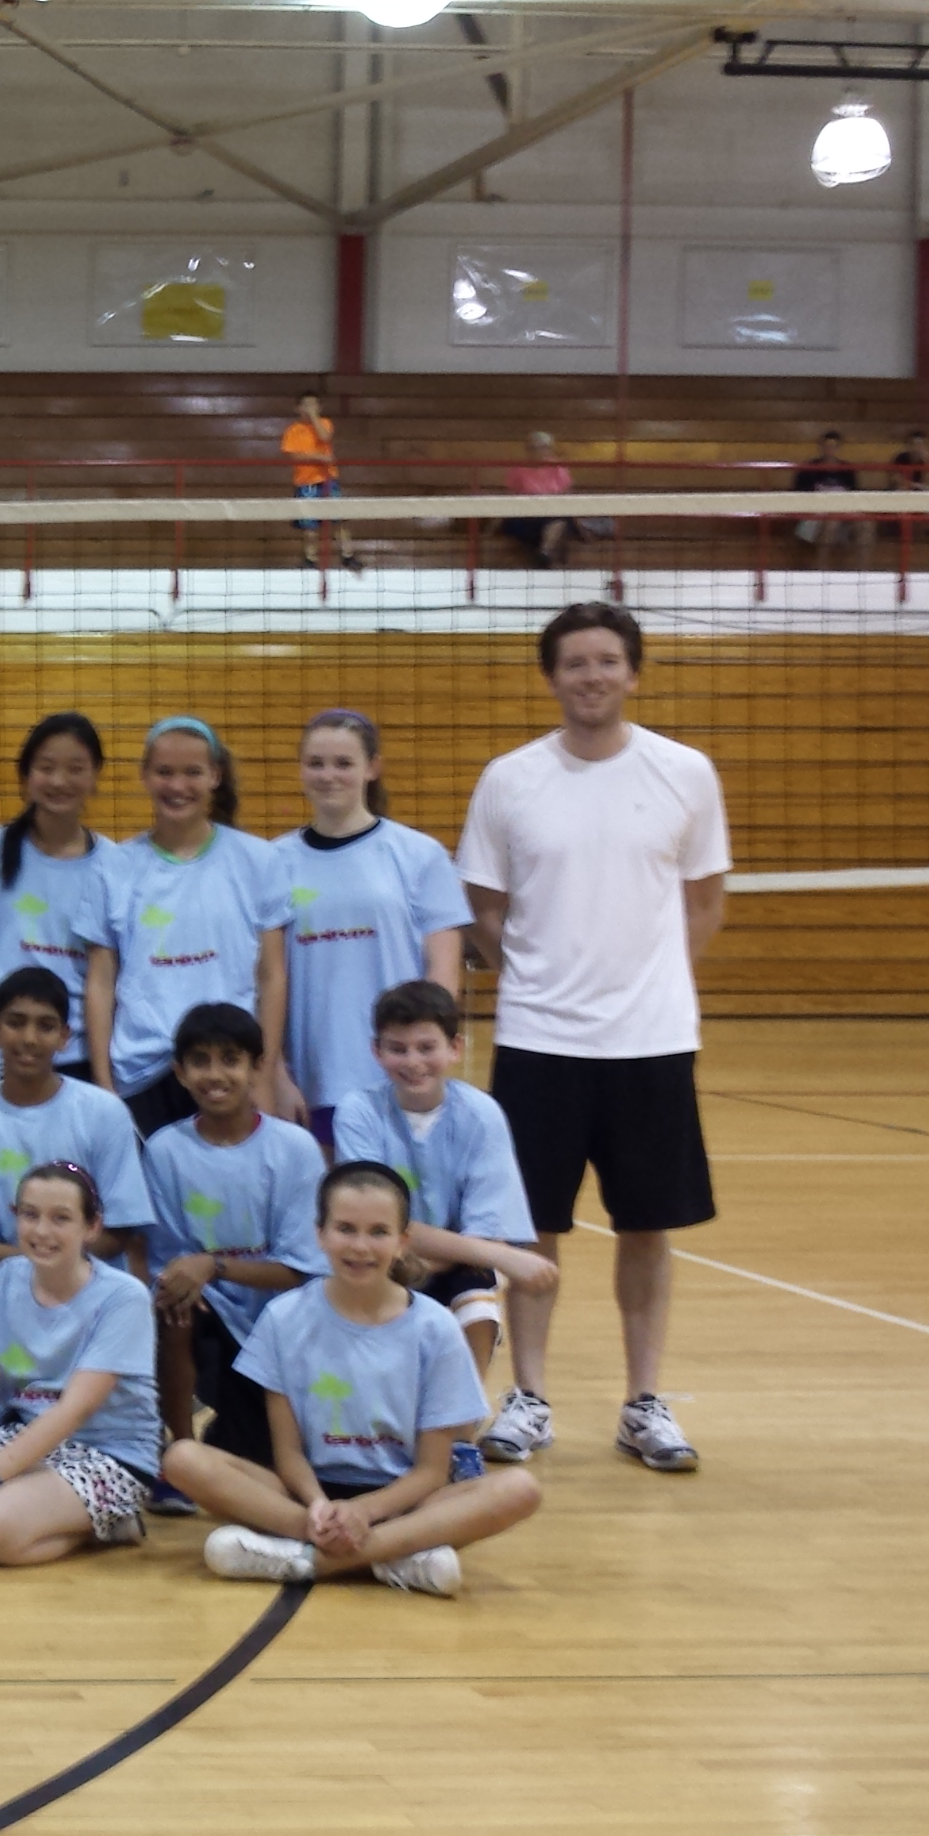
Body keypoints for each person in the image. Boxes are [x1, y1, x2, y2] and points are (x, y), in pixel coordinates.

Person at [457, 602, 727, 1473]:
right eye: (575, 663)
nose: (592, 677)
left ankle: (645, 1403)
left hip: (650, 1042)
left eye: (608, 661)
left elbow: (705, 900)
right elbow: (485, 912)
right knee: (533, 1227)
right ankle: (528, 1397)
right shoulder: (510, 779)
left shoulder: (685, 773)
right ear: (552, 677)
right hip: (539, 1040)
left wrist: (650, 986)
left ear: (633, 672)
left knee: (648, 1224)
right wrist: (543, 982)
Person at [164, 1162, 544, 1598]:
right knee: (183, 1458)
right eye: (345, 1228)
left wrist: (364, 1511)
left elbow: (431, 1471)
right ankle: (393, 1558)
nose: (360, 1246)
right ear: (320, 1234)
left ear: (403, 1242)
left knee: (520, 1489)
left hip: (404, 1501)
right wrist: (320, 1508)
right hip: (305, 1497)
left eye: (378, 1232)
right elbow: (287, 1453)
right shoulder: (284, 1318)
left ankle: (308, 1560)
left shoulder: (434, 1328)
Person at [0, 967, 155, 1400]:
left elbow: (117, 1232)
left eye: (45, 1026)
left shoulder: (104, 1112)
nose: (29, 1038)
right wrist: (34, 1262)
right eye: (16, 1022)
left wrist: (48, 1265)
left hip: (87, 1279)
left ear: (66, 1036)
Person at [0, 1163, 162, 1568]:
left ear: (92, 1228)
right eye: (30, 1215)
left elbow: (72, 1410)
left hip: (106, 1452)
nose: (41, 1232)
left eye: (61, 1218)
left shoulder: (123, 1298)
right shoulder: (9, 1276)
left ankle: (111, 1524)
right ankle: (38, 1511)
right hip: (24, 1435)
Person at [137, 1004, 328, 1506]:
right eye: (200, 1061)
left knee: (258, 1457)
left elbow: (301, 1270)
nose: (215, 1074)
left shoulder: (294, 1149)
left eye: (230, 1059)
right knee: (171, 1309)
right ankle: (177, 1454)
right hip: (207, 1312)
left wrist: (213, 1265)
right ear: (179, 1072)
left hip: (280, 1320)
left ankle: (254, 1433)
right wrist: (189, 1280)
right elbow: (168, 1262)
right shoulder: (164, 1151)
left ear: (256, 1066)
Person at [333, 981, 558, 1388]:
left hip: (449, 1263)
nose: (413, 1061)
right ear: (376, 1051)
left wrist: (452, 1257)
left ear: (455, 1047)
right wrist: (506, 1258)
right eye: (397, 1048)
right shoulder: (358, 1112)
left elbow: (483, 1232)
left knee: (477, 1305)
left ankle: (460, 1433)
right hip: (380, 1258)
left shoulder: (481, 1114)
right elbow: (371, 1219)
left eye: (426, 1047)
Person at [80, 717, 293, 1133]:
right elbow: (100, 982)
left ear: (215, 775)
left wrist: (264, 1074)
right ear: (145, 776)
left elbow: (271, 976)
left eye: (192, 772)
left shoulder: (257, 860)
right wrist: (104, 1085)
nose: (178, 786)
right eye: (165, 772)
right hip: (142, 1074)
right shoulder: (114, 867)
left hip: (229, 1071)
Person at [274, 710, 471, 1144]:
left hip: (399, 1074)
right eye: (316, 763)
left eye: (343, 763)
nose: (329, 776)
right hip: (312, 1077)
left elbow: (443, 974)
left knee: (401, 1204)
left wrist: (422, 1058)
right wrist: (274, 1072)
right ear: (301, 769)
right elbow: (263, 979)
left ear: (372, 768)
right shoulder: (273, 862)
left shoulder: (419, 854)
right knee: (327, 1207)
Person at [0, 712, 111, 1087]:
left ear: (95, 775)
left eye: (75, 769)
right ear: (25, 775)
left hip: (79, 1058)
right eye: (46, 767)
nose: (59, 781)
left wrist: (104, 1078)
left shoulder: (116, 865)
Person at [280, 390, 361, 571]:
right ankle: (310, 558)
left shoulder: (325, 423)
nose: (310, 408)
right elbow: (294, 455)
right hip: (305, 483)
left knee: (338, 519)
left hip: (327, 480)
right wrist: (318, 457)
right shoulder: (292, 431)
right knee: (309, 524)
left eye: (313, 405)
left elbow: (325, 437)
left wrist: (314, 417)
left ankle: (348, 555)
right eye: (306, 405)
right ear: (298, 408)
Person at [499, 431, 578, 568]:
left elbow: (567, 494)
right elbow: (510, 496)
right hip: (525, 516)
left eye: (542, 448)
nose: (537, 452)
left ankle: (544, 553)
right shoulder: (518, 470)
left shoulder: (558, 468)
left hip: (552, 513)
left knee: (560, 520)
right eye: (532, 448)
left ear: (550, 450)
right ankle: (544, 553)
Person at [790, 428, 868, 549]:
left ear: (839, 448)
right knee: (831, 523)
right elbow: (799, 495)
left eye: (833, 447)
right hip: (815, 513)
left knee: (867, 524)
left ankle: (863, 567)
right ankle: (822, 566)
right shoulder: (808, 468)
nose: (830, 450)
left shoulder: (848, 469)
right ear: (820, 447)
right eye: (826, 446)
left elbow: (854, 494)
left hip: (843, 510)